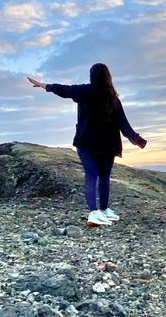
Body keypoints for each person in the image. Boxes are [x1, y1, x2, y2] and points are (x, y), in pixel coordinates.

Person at [27, 63, 147, 227]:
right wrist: (137, 140)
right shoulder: (113, 98)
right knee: (104, 177)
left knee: (91, 176)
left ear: (92, 76)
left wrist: (44, 86)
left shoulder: (84, 92)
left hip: (86, 143)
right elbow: (124, 125)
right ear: (108, 77)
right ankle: (102, 211)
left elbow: (63, 90)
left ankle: (96, 213)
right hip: (107, 145)